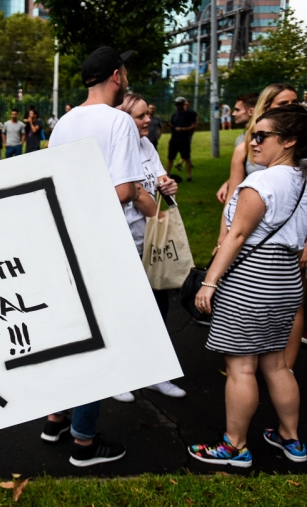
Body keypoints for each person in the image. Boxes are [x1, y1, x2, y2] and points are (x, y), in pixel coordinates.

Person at [188, 104, 307, 467]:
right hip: (287, 278)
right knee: (277, 365)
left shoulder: (260, 182)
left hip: (251, 280)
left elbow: (238, 235)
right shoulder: (305, 175)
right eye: (252, 134)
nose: (253, 143)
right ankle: (291, 439)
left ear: (289, 140)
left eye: (262, 136)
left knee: (242, 367)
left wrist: (210, 282)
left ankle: (235, 445)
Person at [42, 46, 144, 467]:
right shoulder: (120, 121)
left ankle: (55, 418)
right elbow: (124, 190)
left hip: (63, 240)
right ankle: (84, 440)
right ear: (117, 76)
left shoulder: (63, 122)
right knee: (99, 341)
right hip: (101, 244)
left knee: (69, 334)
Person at [111, 93, 186, 403]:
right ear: (124, 119)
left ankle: (155, 372)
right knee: (123, 311)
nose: (148, 121)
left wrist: (169, 187)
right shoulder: (112, 149)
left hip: (150, 241)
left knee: (158, 308)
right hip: (118, 242)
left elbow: (160, 180)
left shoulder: (146, 145)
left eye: (148, 115)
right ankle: (119, 375)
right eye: (141, 116)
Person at [166, 96, 197, 182]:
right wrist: (170, 126)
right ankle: (167, 174)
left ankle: (189, 176)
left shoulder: (190, 114)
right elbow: (173, 127)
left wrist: (183, 129)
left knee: (187, 158)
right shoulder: (174, 115)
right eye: (176, 104)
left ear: (183, 104)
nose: (177, 106)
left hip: (184, 140)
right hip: (174, 140)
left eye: (179, 104)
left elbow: (194, 126)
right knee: (170, 158)